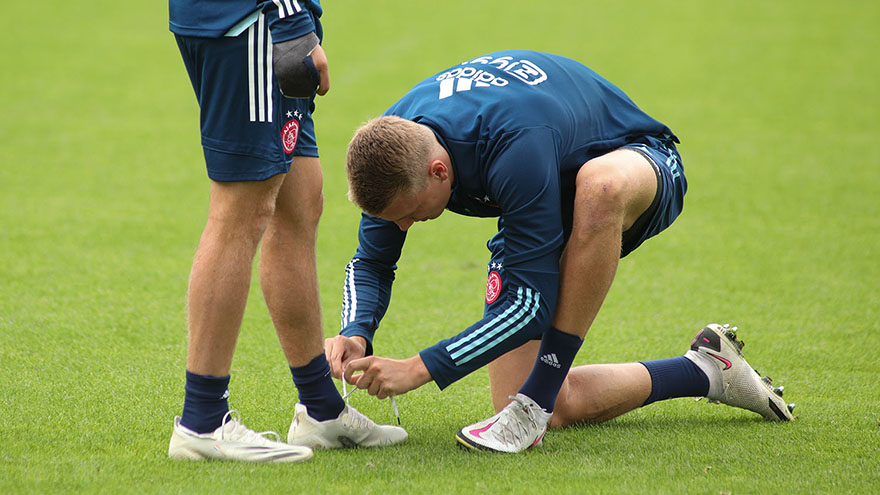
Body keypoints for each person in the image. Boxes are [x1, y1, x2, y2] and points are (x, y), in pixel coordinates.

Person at [324, 50, 795, 453]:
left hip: (638, 161)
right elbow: (371, 261)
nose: (404, 225)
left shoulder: (510, 146)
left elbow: (530, 307)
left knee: (600, 188)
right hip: (543, 191)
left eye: (408, 213)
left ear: (440, 171)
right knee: (552, 406)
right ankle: (707, 369)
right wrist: (356, 331)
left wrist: (420, 367)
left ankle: (534, 403)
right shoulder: (389, 152)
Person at [166, 0, 406, 463]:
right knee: (243, 208)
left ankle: (321, 409)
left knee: (300, 200)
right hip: (254, 23)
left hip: (251, 22)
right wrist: (293, 21)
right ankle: (201, 420)